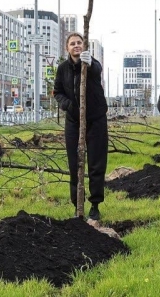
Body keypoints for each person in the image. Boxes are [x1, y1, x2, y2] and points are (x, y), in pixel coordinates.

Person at [53, 32, 109, 221]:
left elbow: (97, 70)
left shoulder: (90, 64)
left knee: (96, 162)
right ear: (67, 48)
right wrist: (68, 105)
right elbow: (57, 92)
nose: (76, 46)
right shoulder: (62, 69)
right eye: (72, 44)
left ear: (84, 46)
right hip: (73, 121)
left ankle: (95, 205)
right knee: (74, 163)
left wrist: (91, 62)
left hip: (96, 119)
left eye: (79, 43)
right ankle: (77, 205)